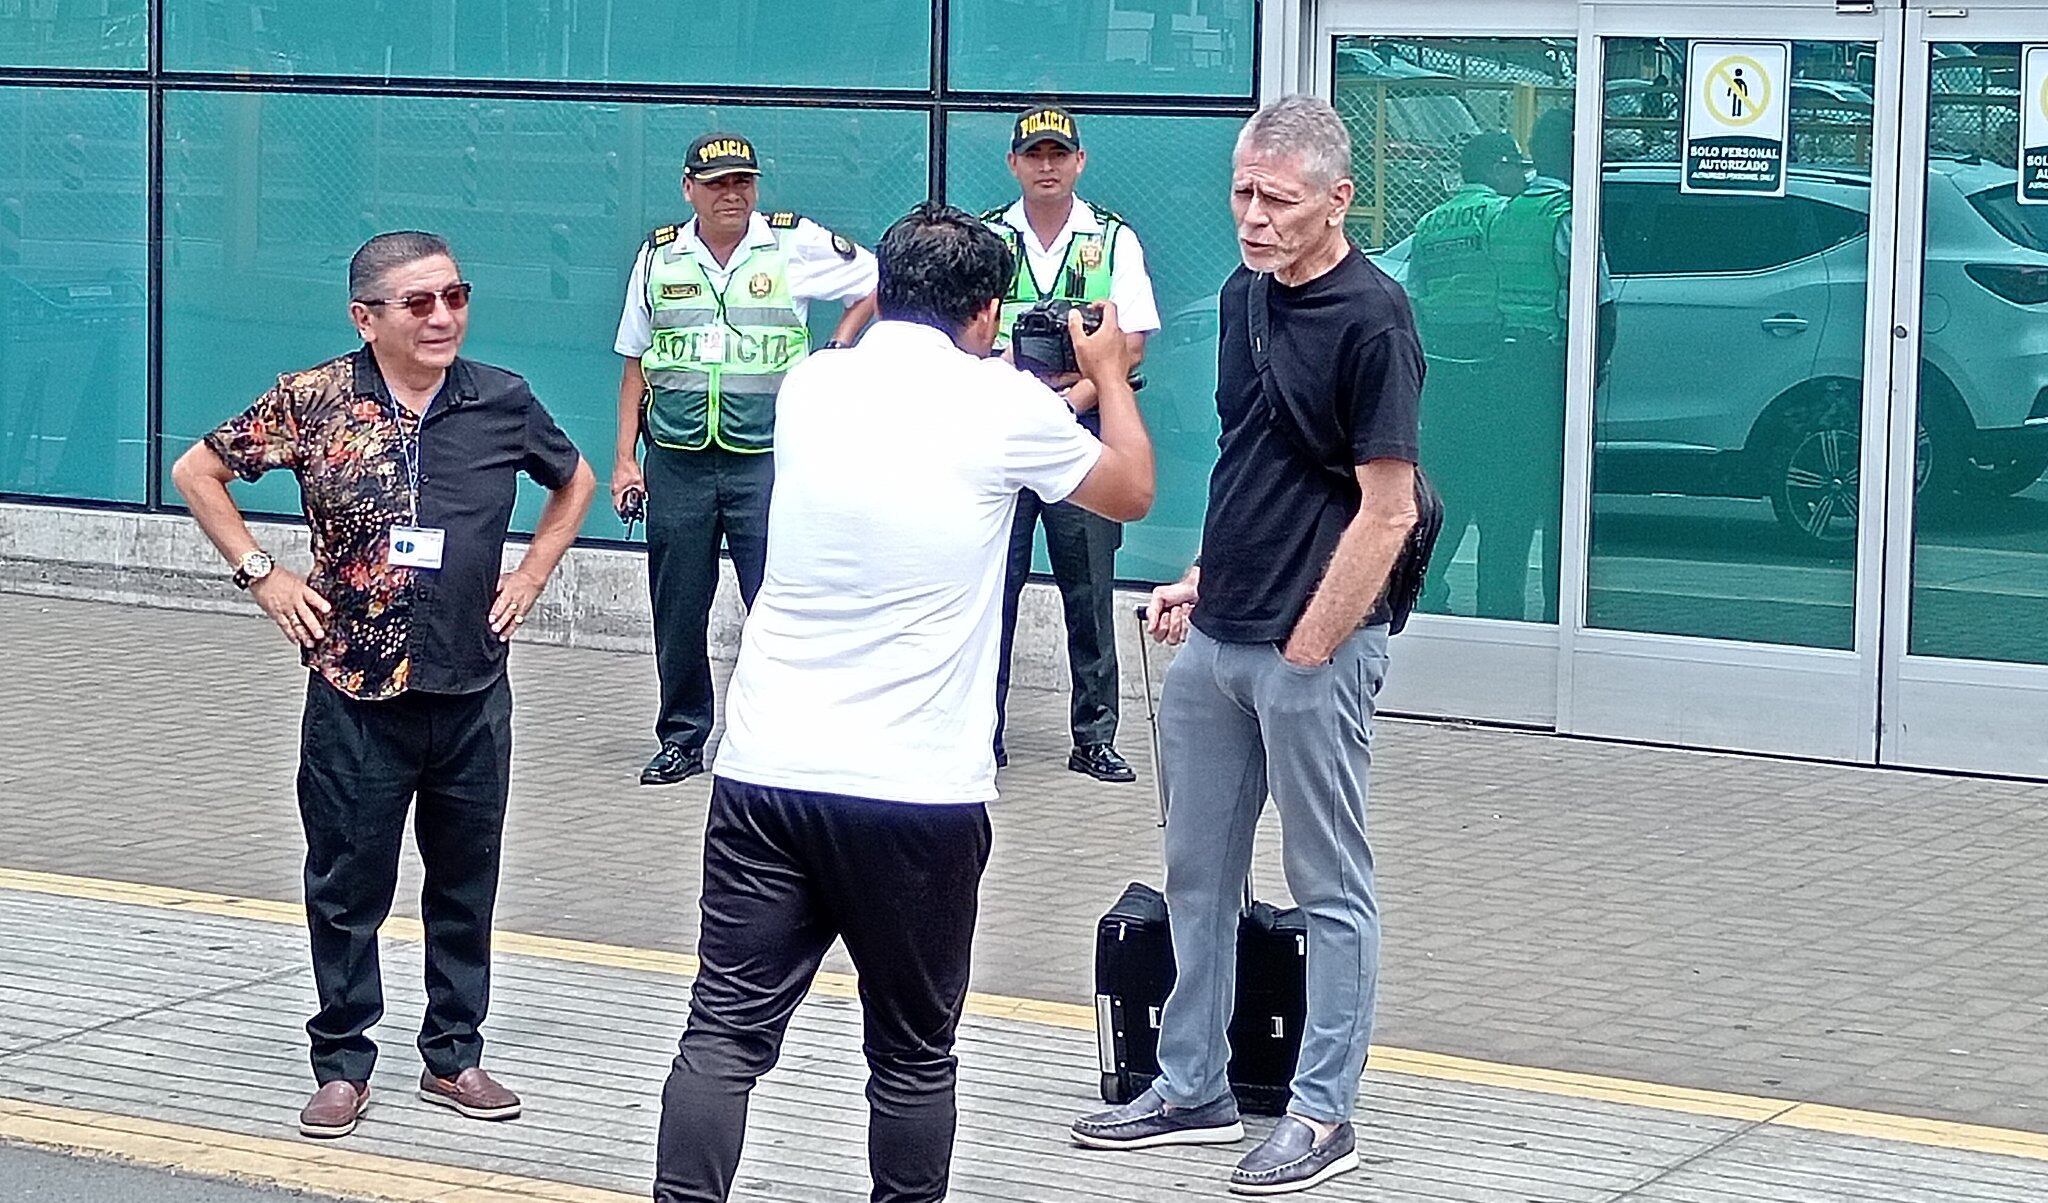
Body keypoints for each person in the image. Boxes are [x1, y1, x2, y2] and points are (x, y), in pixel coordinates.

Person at [652, 202, 1155, 1203]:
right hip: (918, 792)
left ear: (886, 291)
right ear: (985, 311)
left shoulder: (810, 386)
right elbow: (1129, 492)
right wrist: (1102, 373)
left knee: (724, 1031)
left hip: (765, 771)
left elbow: (857, 341)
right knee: (913, 1054)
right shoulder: (1008, 406)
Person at [169, 230, 595, 1140]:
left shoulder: (501, 400)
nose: (443, 316)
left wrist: (530, 576)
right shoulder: (315, 399)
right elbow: (196, 470)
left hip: (471, 688)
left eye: (455, 295)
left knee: (465, 880)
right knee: (346, 883)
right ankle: (341, 1061)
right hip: (354, 692)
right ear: (366, 317)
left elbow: (575, 481)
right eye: (419, 303)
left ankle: (453, 1054)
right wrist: (262, 572)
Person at [1070, 95, 1421, 1197]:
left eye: (1276, 199)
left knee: (1328, 883)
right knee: (1194, 874)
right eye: (1240, 194)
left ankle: (1322, 1114)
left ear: (1335, 198)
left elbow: (1389, 506)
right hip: (1217, 638)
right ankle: (1190, 1085)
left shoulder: (1374, 319)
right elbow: (1254, 460)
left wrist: (1317, 641)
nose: (1253, 219)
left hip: (1312, 649)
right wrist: (1201, 579)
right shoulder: (1241, 300)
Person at [611, 131, 880, 787]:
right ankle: (681, 737)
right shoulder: (658, 259)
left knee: (780, 604)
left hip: (765, 458)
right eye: (717, 183)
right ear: (688, 189)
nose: (731, 194)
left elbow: (877, 279)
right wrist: (624, 459)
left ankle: (783, 737)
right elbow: (635, 363)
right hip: (676, 457)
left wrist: (840, 345)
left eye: (742, 182)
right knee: (677, 610)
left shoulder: (792, 242)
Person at [981, 104, 1161, 783]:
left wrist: (1075, 397)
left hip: (1083, 427)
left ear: (1079, 162)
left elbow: (1135, 336)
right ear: (1014, 165)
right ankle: (981, 731)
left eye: (1060, 155)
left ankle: (1094, 737)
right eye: (1035, 156)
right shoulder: (987, 237)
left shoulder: (1113, 239)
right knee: (991, 586)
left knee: (1089, 587)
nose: (1047, 166)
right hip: (1000, 432)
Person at [1485, 108, 1615, 623]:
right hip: (1552, 368)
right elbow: (1600, 304)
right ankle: (1561, 617)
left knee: (1506, 505)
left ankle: (1499, 613)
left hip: (1504, 368)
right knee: (1562, 501)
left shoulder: (1508, 211)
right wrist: (1592, 374)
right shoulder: (1569, 214)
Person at [1407, 132, 1527, 614]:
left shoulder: (1429, 223)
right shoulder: (1503, 216)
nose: (1522, 176)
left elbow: (1415, 298)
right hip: (1493, 366)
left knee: (1444, 497)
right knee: (1500, 503)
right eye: (1517, 166)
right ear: (1497, 168)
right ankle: (1498, 610)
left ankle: (1425, 594)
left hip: (1443, 374)